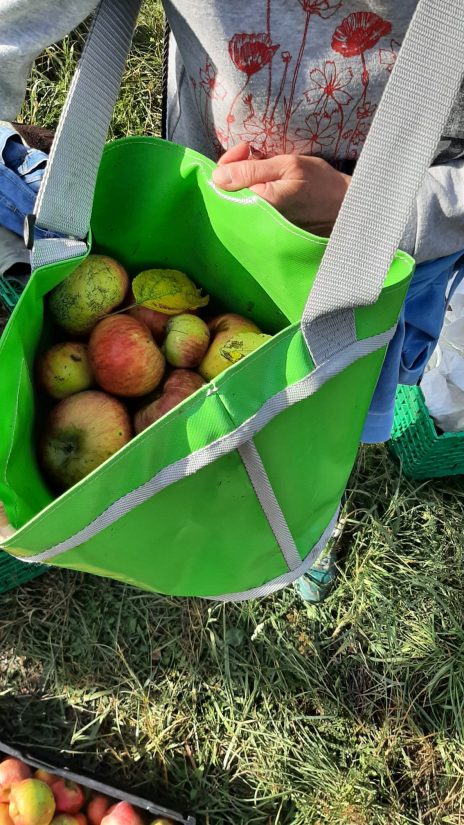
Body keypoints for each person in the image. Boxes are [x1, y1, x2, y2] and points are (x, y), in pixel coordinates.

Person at [1, 0, 464, 599]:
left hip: (385, 266)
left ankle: (307, 516)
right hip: (206, 235)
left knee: (329, 415)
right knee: (226, 419)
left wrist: (369, 210)